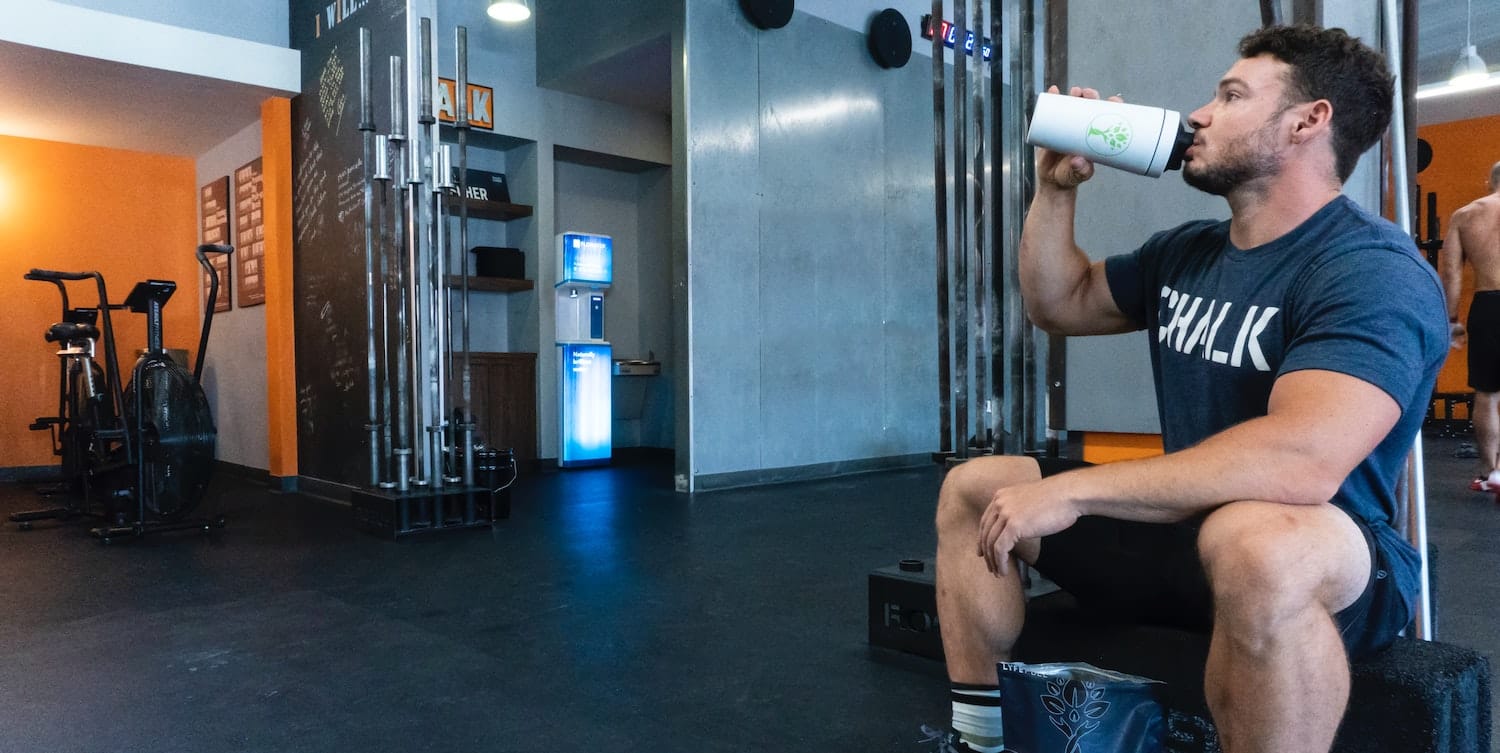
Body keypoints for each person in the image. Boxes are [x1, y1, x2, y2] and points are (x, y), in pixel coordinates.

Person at [931, 24, 1447, 753]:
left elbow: (1302, 459)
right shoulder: (1188, 252)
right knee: (974, 486)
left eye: (1231, 96)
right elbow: (1060, 300)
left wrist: (1076, 491)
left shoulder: (1369, 269)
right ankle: (980, 738)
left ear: (1308, 121)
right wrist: (1054, 189)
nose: (1198, 114)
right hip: (1191, 533)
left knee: (1256, 543)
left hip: (1328, 553)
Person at [1441, 161, 1500, 492]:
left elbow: (1452, 273)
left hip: (1489, 305)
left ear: (1489, 181)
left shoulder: (1466, 215)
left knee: (1487, 394)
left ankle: (1491, 472)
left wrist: (1452, 321)